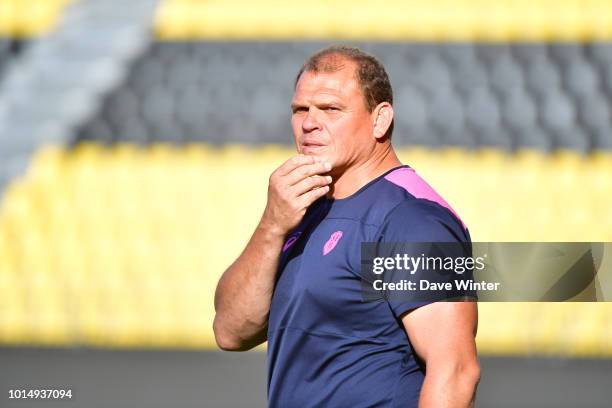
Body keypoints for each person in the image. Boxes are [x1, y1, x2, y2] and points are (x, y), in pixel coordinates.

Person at [213, 45, 479, 407]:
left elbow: (455, 369)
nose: (309, 123)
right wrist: (272, 226)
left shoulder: (413, 219)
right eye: (300, 110)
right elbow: (230, 330)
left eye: (330, 109)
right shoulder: (301, 211)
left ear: (380, 119)